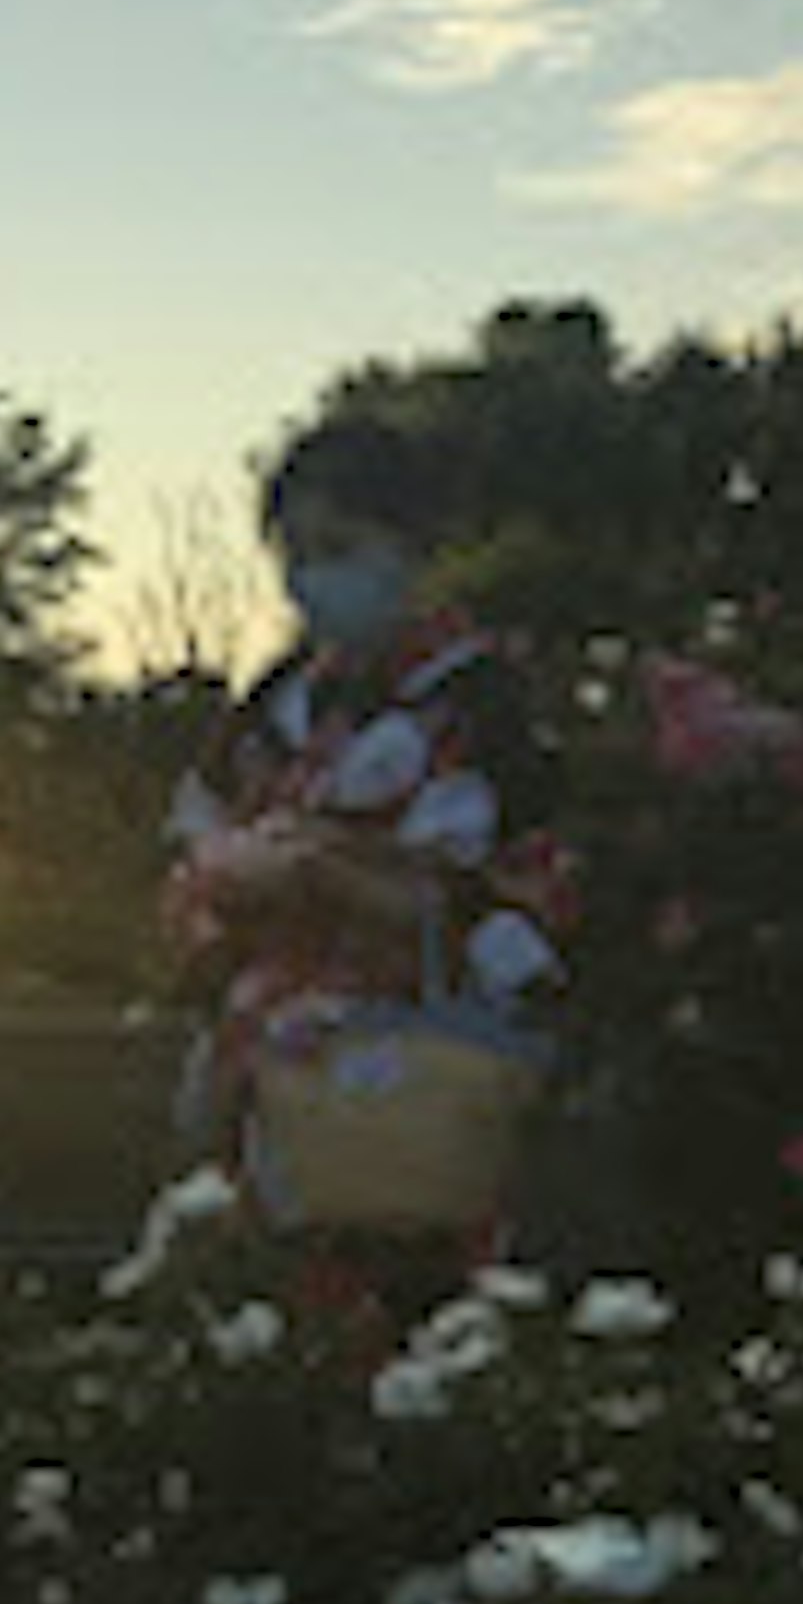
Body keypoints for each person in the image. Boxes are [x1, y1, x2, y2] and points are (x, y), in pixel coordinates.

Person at [164, 416, 573, 1257]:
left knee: (416, 1326)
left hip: (424, 1080)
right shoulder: (276, 702)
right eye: (294, 557)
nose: (312, 580)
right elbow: (193, 852)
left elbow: (520, 903)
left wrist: (325, 873)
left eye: (338, 546)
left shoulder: (485, 703)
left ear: (414, 543)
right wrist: (227, 887)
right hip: (268, 1092)